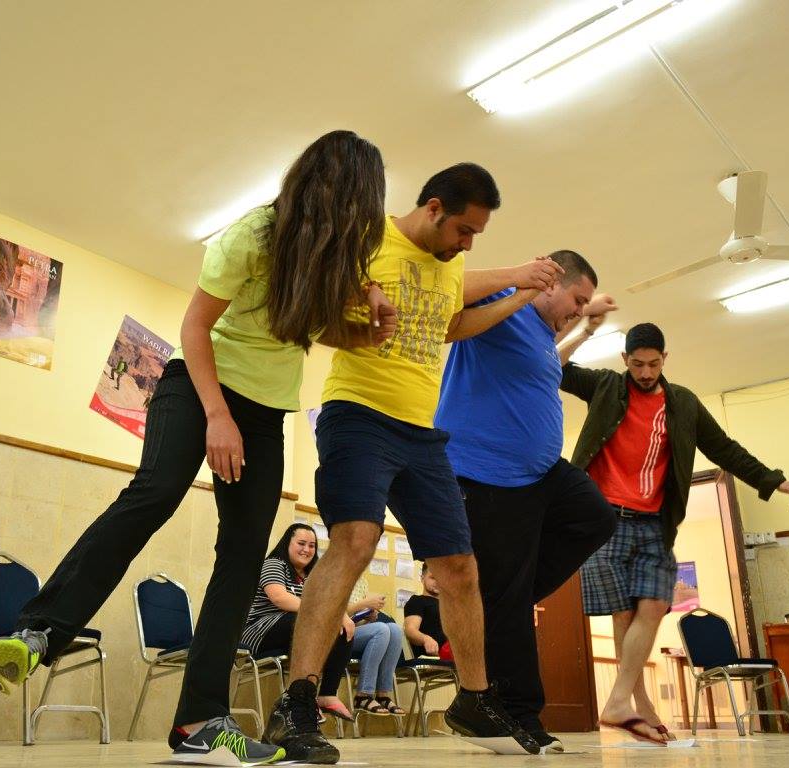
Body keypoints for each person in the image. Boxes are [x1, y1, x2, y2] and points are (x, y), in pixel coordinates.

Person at [0, 130, 397, 764]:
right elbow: (195, 325)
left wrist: (368, 321)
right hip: (197, 383)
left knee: (244, 555)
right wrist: (217, 415)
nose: (360, 222)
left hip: (265, 412)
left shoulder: (334, 260)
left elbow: (307, 325)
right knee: (155, 492)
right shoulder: (252, 236)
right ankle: (38, 631)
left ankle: (199, 721)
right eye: (355, 206)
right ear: (323, 192)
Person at [262, 163, 565, 762]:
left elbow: (450, 325)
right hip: (358, 413)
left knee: (459, 567)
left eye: (476, 234)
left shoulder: (449, 265)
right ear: (432, 208)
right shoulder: (368, 235)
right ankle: (297, 701)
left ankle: (473, 699)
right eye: (463, 229)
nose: (467, 243)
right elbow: (314, 299)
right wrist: (515, 274)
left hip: (422, 433)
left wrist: (523, 292)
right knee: (354, 540)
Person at [559, 321, 789, 744]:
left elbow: (724, 449)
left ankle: (618, 702)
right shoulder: (605, 386)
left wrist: (773, 480)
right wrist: (584, 331)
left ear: (665, 359)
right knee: (624, 613)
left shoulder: (683, 404)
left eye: (653, 364)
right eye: (637, 364)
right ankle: (638, 704)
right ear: (624, 360)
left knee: (655, 605)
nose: (645, 373)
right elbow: (553, 366)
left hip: (654, 520)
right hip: (604, 516)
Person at [434, 249, 619, 752]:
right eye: (576, 299)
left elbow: (545, 363)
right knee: (508, 597)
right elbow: (448, 293)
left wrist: (585, 328)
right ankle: (519, 715)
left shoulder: (540, 336)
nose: (578, 308)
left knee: (595, 518)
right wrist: (521, 279)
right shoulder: (506, 301)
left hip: (540, 474)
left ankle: (498, 600)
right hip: (488, 475)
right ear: (552, 282)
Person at [242, 524, 355, 720]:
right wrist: (323, 612)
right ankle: (303, 698)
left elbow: (331, 604)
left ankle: (327, 694)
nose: (306, 550)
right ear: (287, 543)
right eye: (301, 543)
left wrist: (340, 615)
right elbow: (280, 598)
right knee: (311, 623)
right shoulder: (274, 564)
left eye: (312, 545)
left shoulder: (314, 574)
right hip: (261, 629)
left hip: (296, 629)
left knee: (344, 629)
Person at [347, 597, 406, 715]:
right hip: (338, 633)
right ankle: (363, 695)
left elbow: (355, 618)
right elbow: (336, 613)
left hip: (355, 629)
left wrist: (368, 616)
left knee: (396, 630)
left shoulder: (361, 586)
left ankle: (382, 695)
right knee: (381, 629)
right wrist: (363, 604)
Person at [403, 561, 450, 659]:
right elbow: (410, 630)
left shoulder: (449, 606)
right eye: (433, 577)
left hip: (453, 656)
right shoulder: (417, 601)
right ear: (422, 578)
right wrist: (426, 639)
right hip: (434, 657)